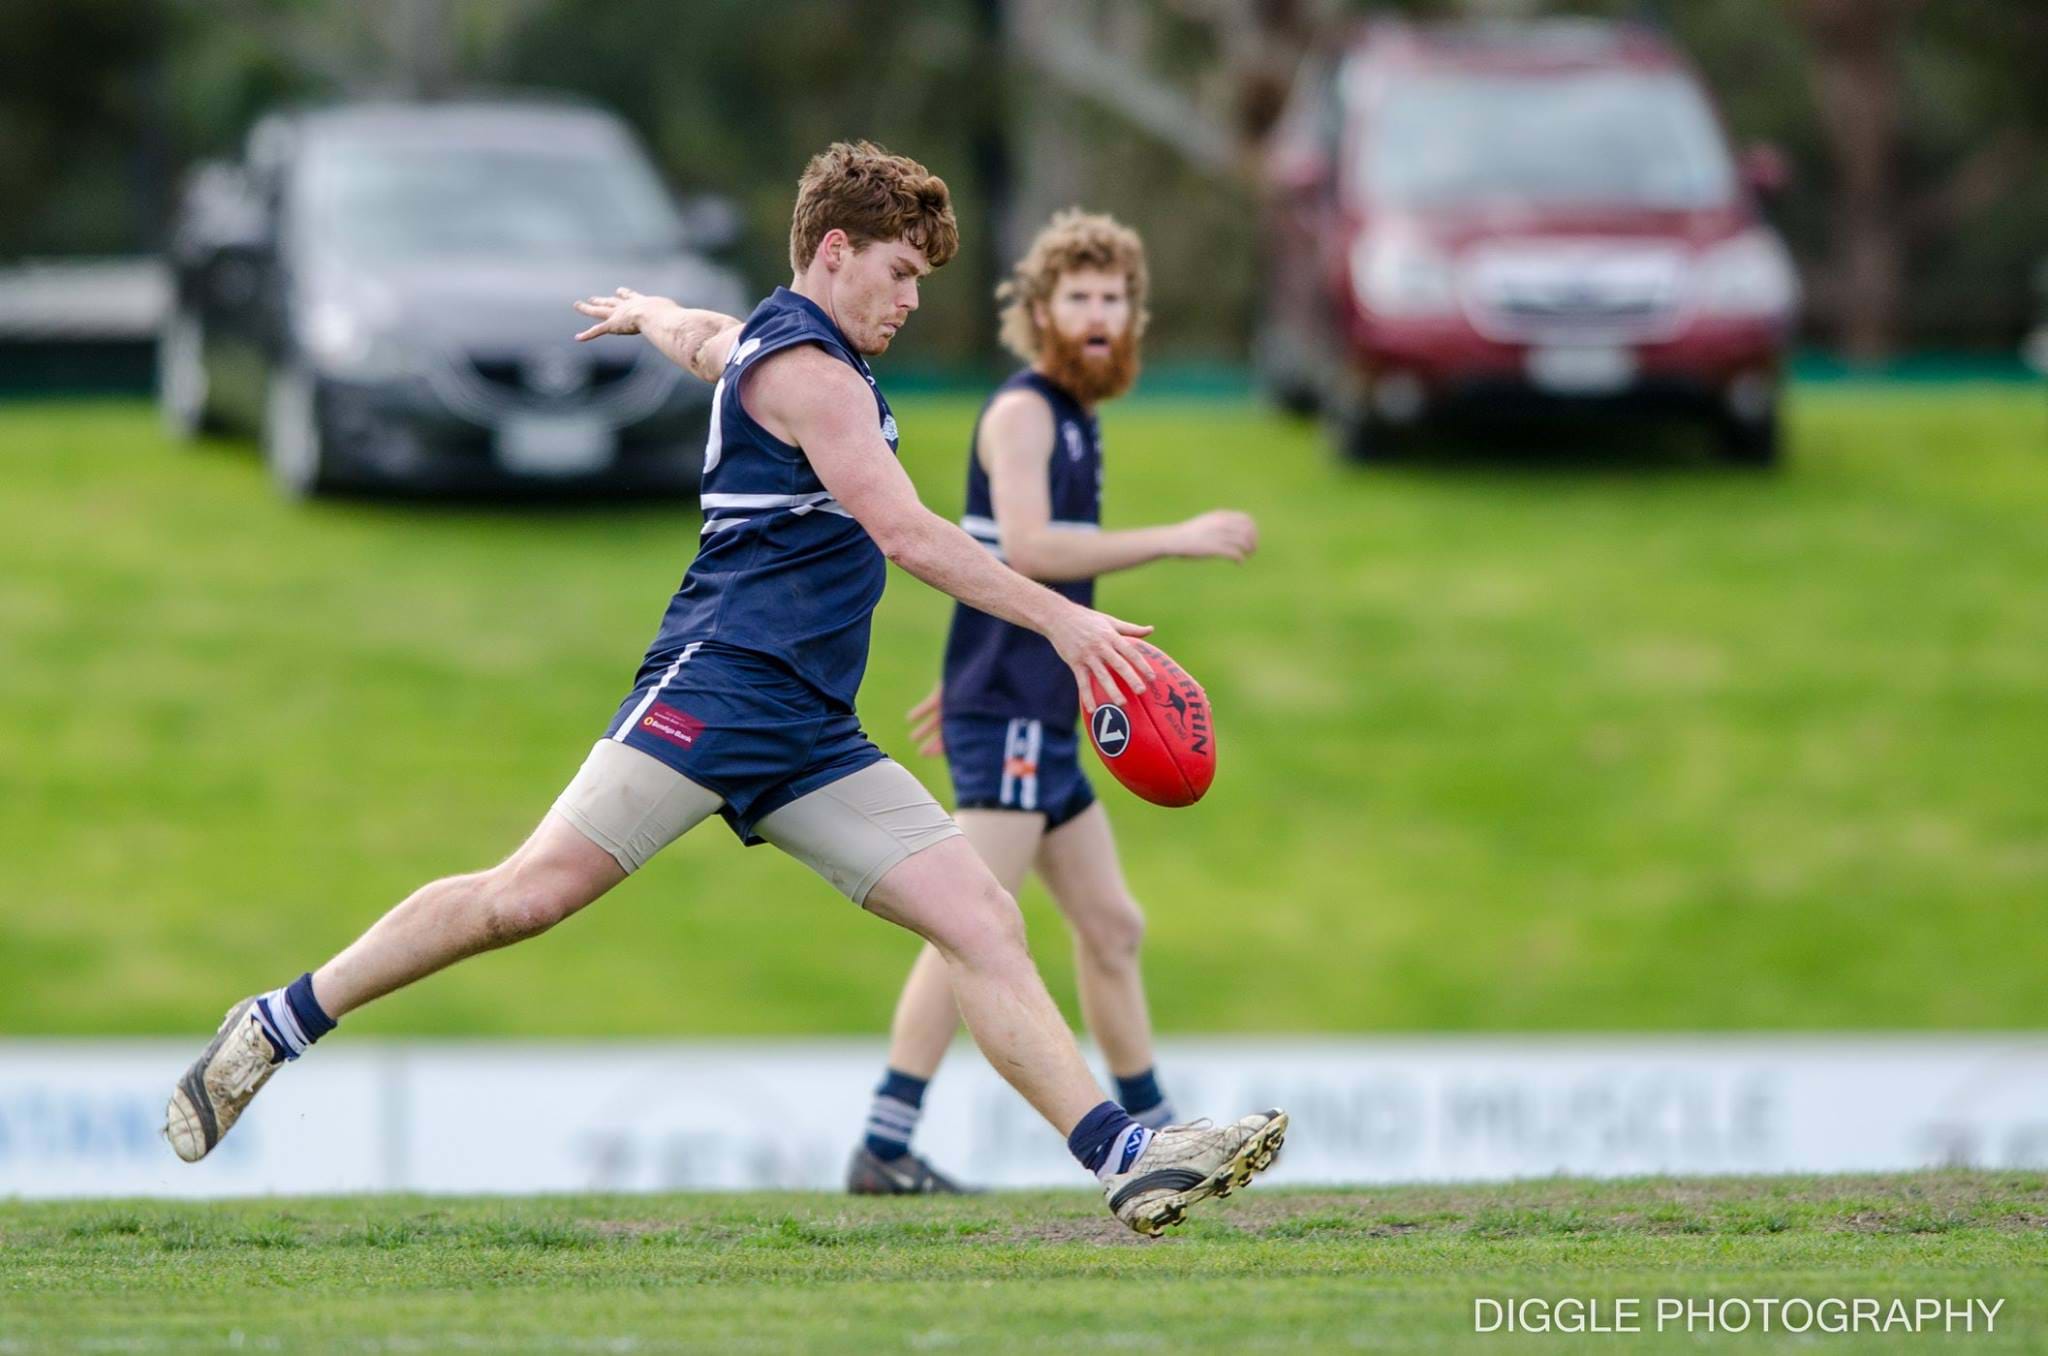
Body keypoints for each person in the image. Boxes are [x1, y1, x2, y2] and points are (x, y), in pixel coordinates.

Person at [163, 142, 1284, 1235]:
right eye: (899, 273)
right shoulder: (811, 374)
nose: (910, 302)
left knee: (983, 919)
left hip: (809, 730)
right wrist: (1064, 622)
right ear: (834, 250)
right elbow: (905, 533)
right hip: (719, 691)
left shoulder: (770, 342)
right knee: (524, 899)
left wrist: (649, 311)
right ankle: (277, 1022)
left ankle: (1127, 1159)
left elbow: (701, 337)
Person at [846, 211, 1259, 1195]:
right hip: (1014, 714)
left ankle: (1162, 1134)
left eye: (1113, 298)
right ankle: (886, 1144)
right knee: (967, 926)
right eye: (1078, 298)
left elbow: (996, 558)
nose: (1098, 315)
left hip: (1040, 706)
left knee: (1111, 926)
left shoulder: (1076, 413)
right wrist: (1174, 537)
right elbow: (1029, 547)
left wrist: (965, 675)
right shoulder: (1025, 412)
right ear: (1039, 312)